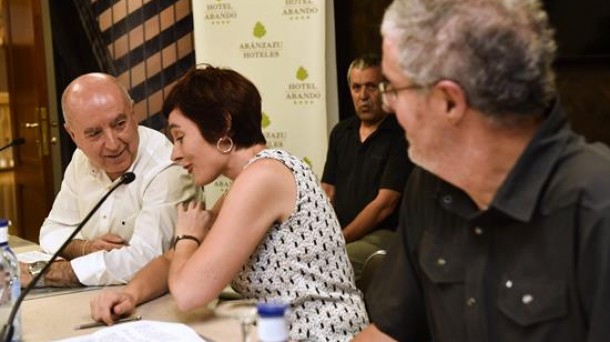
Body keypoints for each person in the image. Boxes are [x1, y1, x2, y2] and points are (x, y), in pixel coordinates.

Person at [354, 0, 610, 341]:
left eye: (393, 90)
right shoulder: (429, 187)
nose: (389, 106)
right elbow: (388, 333)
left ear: (449, 102)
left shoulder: (597, 206)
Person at [90, 66, 368, 340]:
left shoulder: (264, 177)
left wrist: (186, 236)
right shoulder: (250, 180)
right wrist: (129, 294)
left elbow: (189, 294)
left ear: (222, 125)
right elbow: (172, 260)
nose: (174, 154)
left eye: (180, 137)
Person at [20, 73, 200, 287]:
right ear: (73, 135)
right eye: (95, 133)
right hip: (96, 293)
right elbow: (52, 230)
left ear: (133, 113)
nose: (113, 144)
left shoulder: (166, 166)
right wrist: (85, 248)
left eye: (119, 124)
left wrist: (48, 273)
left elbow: (145, 259)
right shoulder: (81, 159)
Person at [321, 53, 413, 280]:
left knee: (334, 262)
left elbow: (385, 204)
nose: (363, 96)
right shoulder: (341, 132)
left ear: (386, 89)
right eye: (356, 87)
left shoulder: (402, 135)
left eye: (371, 87)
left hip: (384, 235)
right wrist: (319, 234)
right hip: (341, 233)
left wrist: (340, 239)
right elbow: (327, 191)